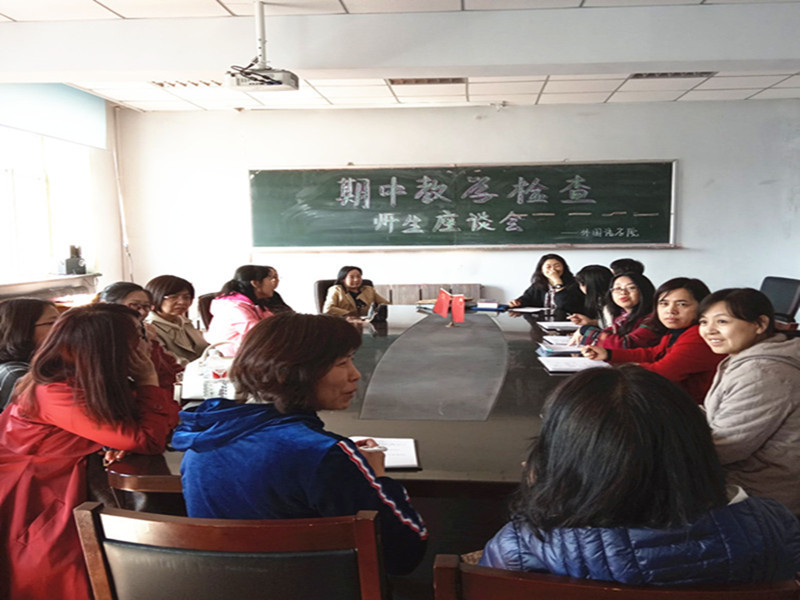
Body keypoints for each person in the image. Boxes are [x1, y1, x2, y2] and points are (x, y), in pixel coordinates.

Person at [480, 366, 800, 585]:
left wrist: (543, 493)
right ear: (696, 444)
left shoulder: (523, 547)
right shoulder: (776, 526)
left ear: (564, 459)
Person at [172, 313, 427, 576]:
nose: (356, 374)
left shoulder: (202, 441)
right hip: (315, 588)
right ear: (293, 372)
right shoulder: (323, 454)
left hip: (220, 585)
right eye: (341, 363)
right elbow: (404, 553)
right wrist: (379, 478)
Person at [0, 304, 179, 600]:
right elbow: (147, 438)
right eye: (138, 335)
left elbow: (164, 421)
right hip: (40, 491)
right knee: (65, 572)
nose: (146, 341)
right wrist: (148, 380)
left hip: (70, 478)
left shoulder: (95, 377)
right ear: (109, 347)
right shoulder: (55, 389)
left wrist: (114, 439)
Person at [698, 288, 800, 515]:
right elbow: (715, 413)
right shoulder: (746, 358)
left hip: (761, 495)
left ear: (760, 324)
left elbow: (726, 449)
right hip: (743, 477)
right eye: (703, 322)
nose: (709, 330)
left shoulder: (763, 372)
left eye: (722, 321)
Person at [581, 277, 723, 404]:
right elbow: (652, 353)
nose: (670, 311)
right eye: (664, 304)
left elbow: (662, 372)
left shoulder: (698, 336)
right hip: (670, 398)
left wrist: (611, 374)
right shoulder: (677, 331)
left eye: (682, 304)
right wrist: (608, 354)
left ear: (702, 307)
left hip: (690, 407)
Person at [95, 281, 182, 391]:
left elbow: (170, 365)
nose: (142, 312)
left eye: (146, 307)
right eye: (134, 305)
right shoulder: (106, 339)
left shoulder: (147, 332)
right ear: (106, 305)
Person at [571, 271, 659, 349]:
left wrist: (586, 330)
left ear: (644, 291)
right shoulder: (621, 318)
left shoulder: (652, 319)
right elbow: (608, 334)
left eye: (631, 288)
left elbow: (625, 344)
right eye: (617, 288)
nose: (623, 292)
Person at [0, 298, 60, 411]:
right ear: (22, 329)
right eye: (52, 323)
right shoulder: (16, 374)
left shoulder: (40, 366)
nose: (62, 328)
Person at [205, 264, 277, 356]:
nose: (274, 282)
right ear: (255, 283)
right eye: (270, 278)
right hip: (233, 357)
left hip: (251, 352)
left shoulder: (253, 304)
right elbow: (259, 333)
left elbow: (272, 325)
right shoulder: (234, 307)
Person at [145, 274, 208, 365]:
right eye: (173, 297)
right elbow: (168, 361)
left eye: (186, 297)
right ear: (155, 297)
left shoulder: (185, 322)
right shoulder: (149, 328)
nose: (182, 302)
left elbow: (204, 349)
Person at [507, 254, 584, 314]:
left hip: (568, 322)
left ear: (564, 268)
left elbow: (566, 305)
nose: (553, 269)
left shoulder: (575, 284)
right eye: (548, 267)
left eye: (557, 266)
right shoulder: (538, 285)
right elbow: (527, 299)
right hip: (543, 321)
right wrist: (518, 302)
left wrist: (557, 281)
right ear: (541, 270)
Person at [323, 265, 390, 319]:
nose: (356, 279)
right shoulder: (336, 290)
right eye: (351, 277)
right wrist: (349, 314)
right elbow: (328, 309)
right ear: (343, 279)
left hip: (367, 322)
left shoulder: (369, 290)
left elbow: (386, 304)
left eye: (358, 276)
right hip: (344, 322)